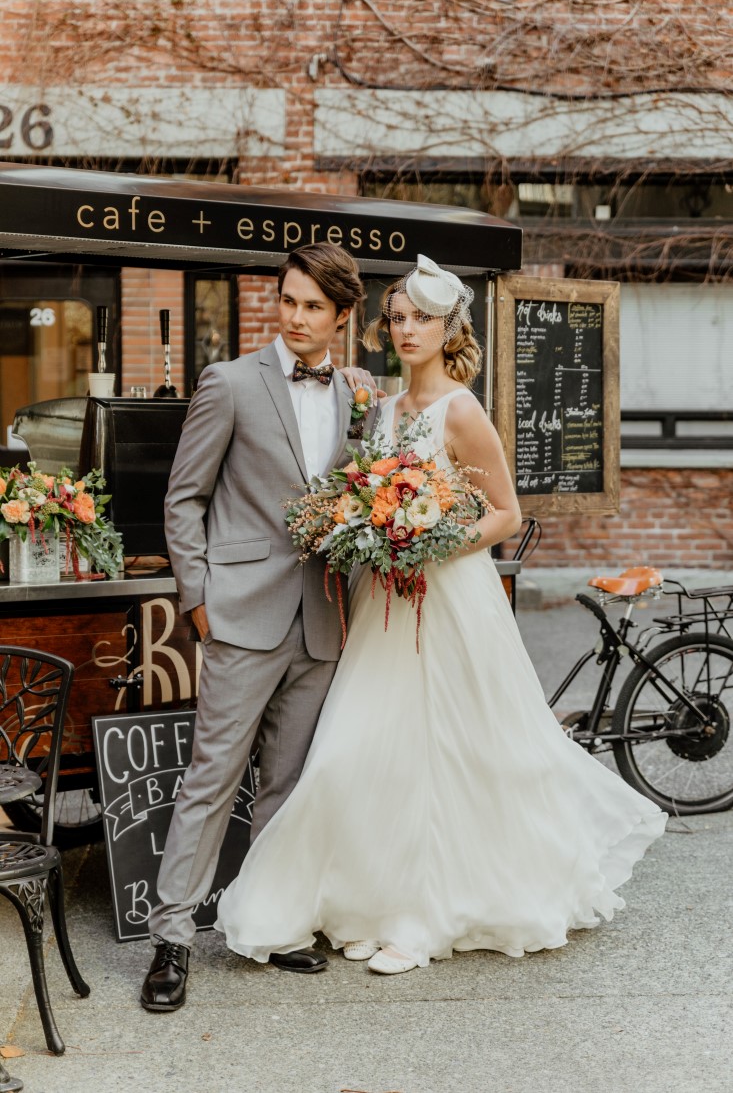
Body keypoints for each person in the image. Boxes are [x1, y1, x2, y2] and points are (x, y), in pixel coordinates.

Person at [214, 254, 667, 975]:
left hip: (446, 601)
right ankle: (364, 901)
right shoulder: (384, 409)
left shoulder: (462, 410)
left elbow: (504, 516)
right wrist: (372, 527)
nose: (405, 329)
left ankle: (421, 917)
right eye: (395, 317)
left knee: (438, 755)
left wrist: (425, 539)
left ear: (448, 326)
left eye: (420, 317)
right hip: (382, 605)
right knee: (360, 755)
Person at [141, 242, 379, 1012]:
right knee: (211, 780)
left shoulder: (354, 394)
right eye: (288, 300)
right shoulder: (230, 382)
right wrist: (198, 600)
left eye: (314, 305)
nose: (297, 316)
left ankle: (270, 926)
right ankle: (171, 940)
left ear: (343, 316)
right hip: (240, 613)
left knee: (285, 785)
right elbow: (184, 498)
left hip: (322, 617)